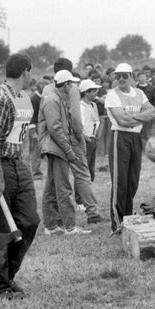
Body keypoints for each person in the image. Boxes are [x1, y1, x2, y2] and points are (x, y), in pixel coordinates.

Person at [0, 53, 40, 299]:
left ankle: (8, 276)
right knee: (2, 227)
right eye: (31, 72)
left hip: (18, 164)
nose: (31, 76)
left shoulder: (23, 98)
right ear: (25, 71)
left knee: (30, 221)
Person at [42, 58, 102, 224]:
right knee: (82, 174)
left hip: (51, 140)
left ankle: (52, 219)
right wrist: (80, 136)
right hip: (69, 137)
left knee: (53, 181)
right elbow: (76, 116)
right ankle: (92, 212)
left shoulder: (47, 89)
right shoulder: (73, 88)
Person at [105, 63, 155, 233]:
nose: (121, 79)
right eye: (118, 75)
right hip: (120, 136)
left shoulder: (139, 93)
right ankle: (117, 222)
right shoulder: (112, 95)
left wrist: (134, 116)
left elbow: (153, 112)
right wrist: (141, 117)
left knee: (133, 180)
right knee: (120, 181)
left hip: (135, 137)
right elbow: (122, 120)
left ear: (131, 76)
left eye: (124, 76)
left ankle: (127, 218)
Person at [79, 79, 102, 182]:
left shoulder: (94, 105)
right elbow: (79, 124)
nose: (95, 93)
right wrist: (85, 137)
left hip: (93, 139)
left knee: (91, 165)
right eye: (93, 91)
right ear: (86, 92)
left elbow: (96, 120)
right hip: (85, 139)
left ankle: (90, 182)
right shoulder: (80, 106)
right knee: (85, 165)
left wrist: (96, 133)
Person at [28, 80, 46, 180]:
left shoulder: (42, 98)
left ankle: (37, 170)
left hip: (41, 126)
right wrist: (33, 131)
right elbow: (31, 116)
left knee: (40, 150)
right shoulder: (34, 99)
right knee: (36, 150)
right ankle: (35, 172)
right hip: (36, 126)